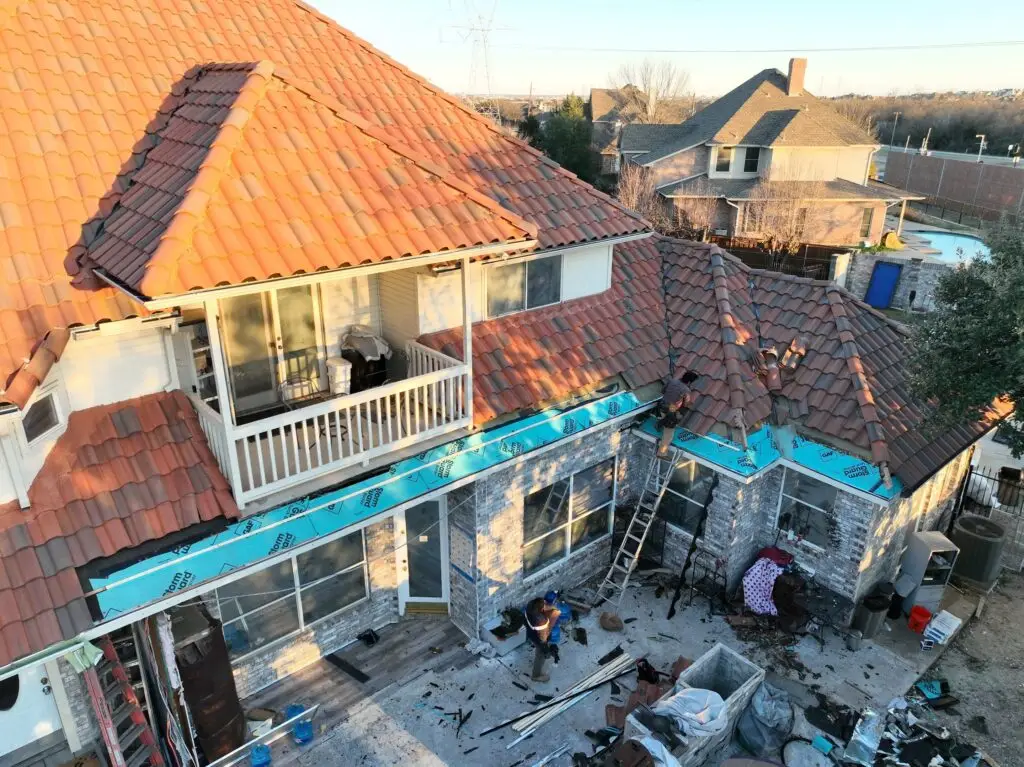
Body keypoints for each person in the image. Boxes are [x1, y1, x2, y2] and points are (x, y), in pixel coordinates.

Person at [657, 371, 698, 456]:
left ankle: (661, 423)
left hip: (661, 406)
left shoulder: (672, 381)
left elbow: (663, 391)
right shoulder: (686, 390)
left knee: (665, 417)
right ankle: (661, 454)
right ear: (690, 382)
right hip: (670, 412)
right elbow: (686, 404)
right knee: (668, 434)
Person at [524, 597, 560, 682]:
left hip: (531, 632)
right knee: (540, 655)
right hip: (538, 638)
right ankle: (536, 676)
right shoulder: (541, 622)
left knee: (539, 647)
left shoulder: (530, 605)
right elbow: (543, 640)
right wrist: (546, 650)